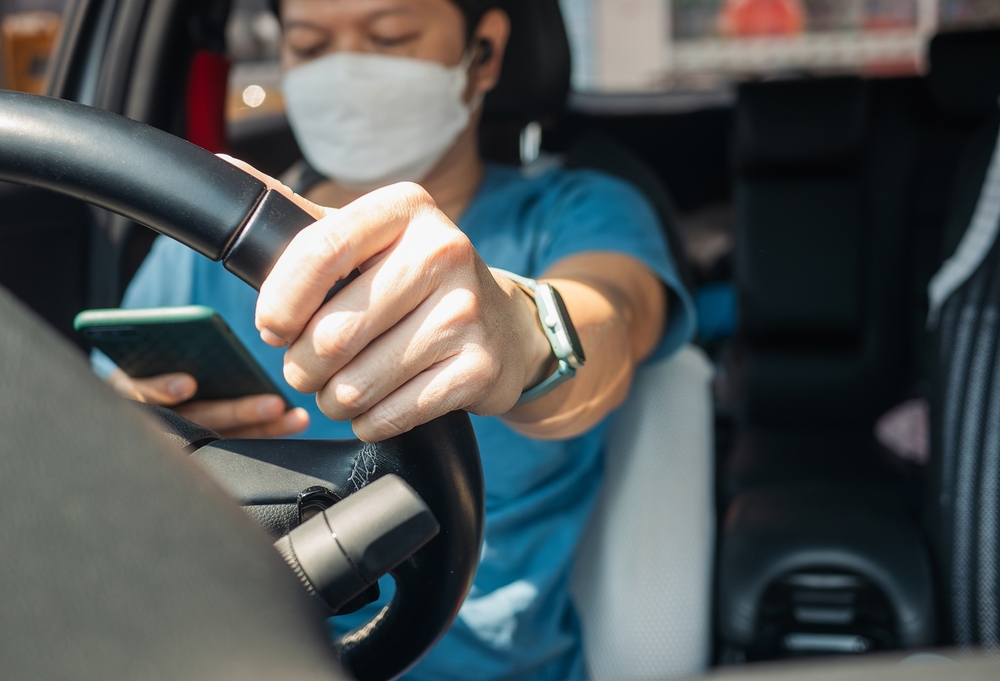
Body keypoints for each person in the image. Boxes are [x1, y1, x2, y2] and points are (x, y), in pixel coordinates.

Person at [93, 0, 696, 678]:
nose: (347, 70)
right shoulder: (201, 237)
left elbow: (611, 316)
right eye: (312, 45)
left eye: (388, 37)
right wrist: (137, 433)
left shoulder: (576, 212)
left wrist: (523, 328)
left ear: (485, 52)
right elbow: (97, 436)